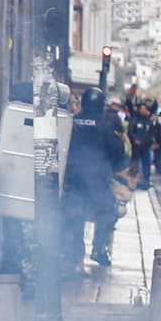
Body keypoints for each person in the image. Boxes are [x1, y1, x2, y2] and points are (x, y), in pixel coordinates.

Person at [62, 87, 127, 272]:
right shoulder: (106, 125)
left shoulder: (72, 122)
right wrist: (112, 167)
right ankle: (99, 249)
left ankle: (73, 257)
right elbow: (118, 153)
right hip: (97, 180)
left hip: (73, 179)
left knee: (74, 217)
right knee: (108, 211)